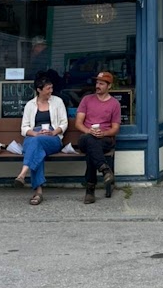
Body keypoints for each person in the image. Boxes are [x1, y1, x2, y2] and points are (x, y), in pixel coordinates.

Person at [15, 75, 68, 206]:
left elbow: (64, 123)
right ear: (39, 89)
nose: (51, 91)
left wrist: (53, 132)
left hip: (52, 137)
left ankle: (24, 175)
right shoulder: (30, 105)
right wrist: (35, 133)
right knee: (37, 148)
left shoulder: (58, 102)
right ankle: (37, 191)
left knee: (35, 145)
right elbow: (24, 128)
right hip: (34, 136)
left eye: (51, 88)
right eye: (48, 89)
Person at [76, 71, 121, 203]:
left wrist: (104, 133)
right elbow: (78, 123)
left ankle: (90, 190)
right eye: (97, 82)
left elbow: (115, 128)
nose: (98, 85)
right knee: (90, 140)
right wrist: (88, 131)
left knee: (92, 150)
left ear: (109, 86)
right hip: (86, 136)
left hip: (104, 139)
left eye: (101, 83)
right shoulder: (87, 99)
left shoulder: (114, 104)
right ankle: (105, 169)